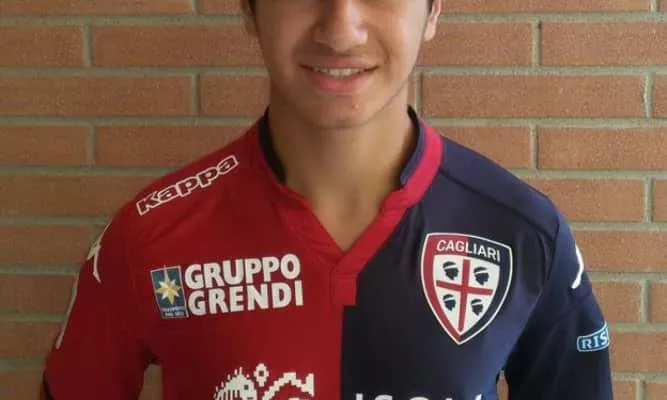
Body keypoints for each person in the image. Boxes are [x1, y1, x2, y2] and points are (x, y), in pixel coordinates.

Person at [41, 0, 613, 398]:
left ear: (434, 10)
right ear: (249, 10)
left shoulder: (524, 234)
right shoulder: (148, 237)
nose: (341, 31)